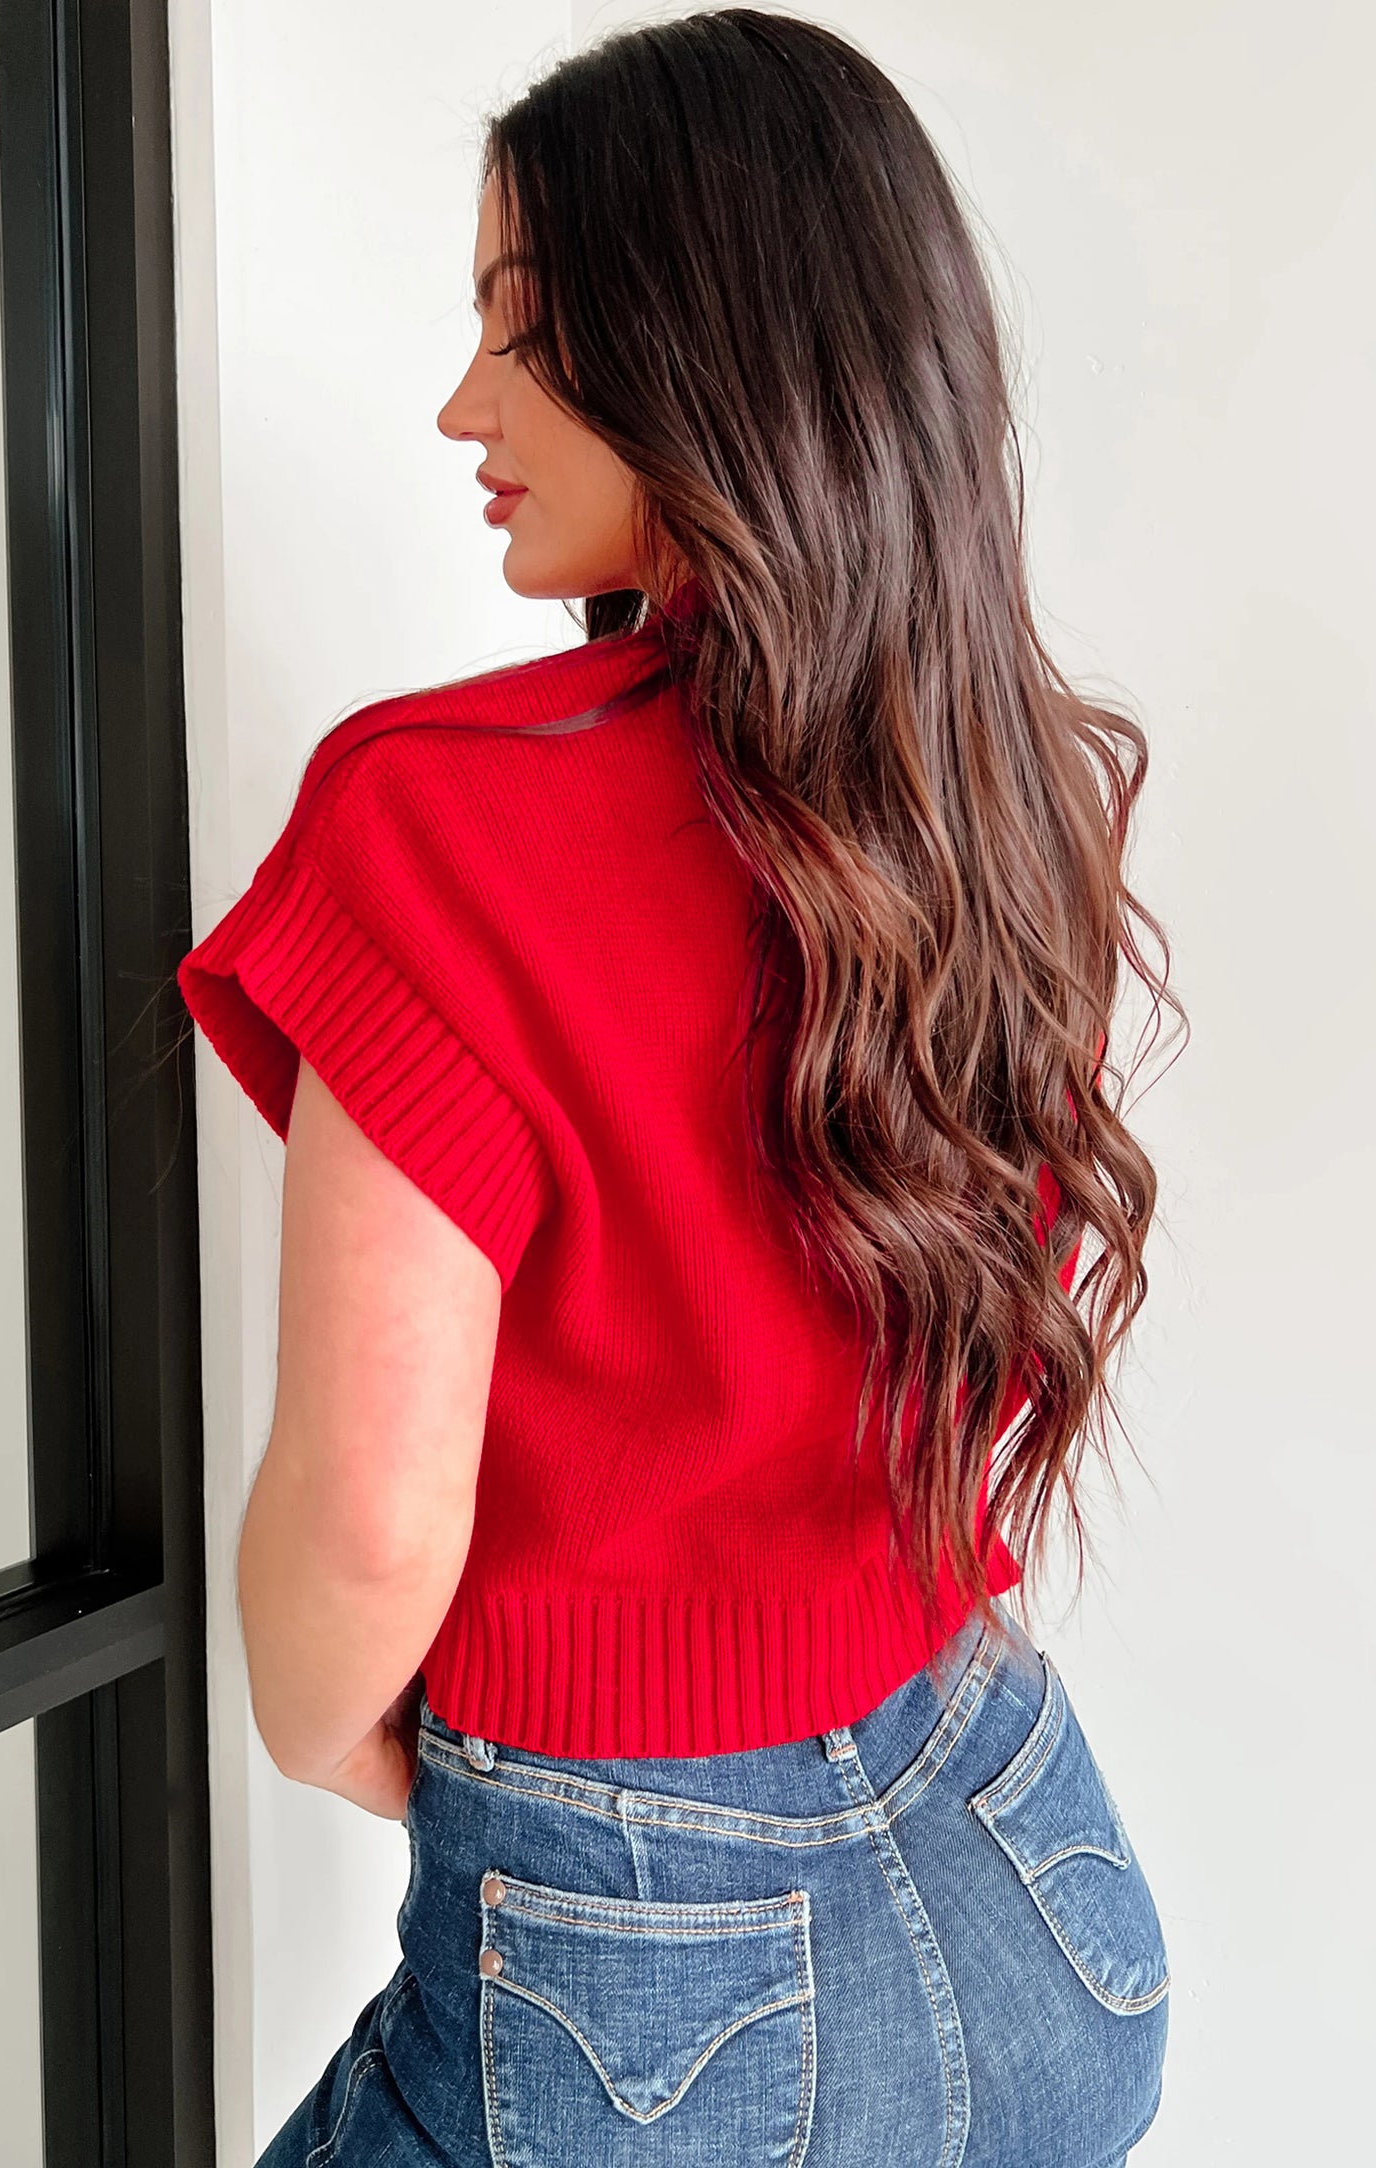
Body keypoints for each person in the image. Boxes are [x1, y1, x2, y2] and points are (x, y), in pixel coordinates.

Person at [177, 10, 1181, 2163]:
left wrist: (345, 1732)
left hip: (651, 1972)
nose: (465, 405)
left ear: (711, 353)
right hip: (1038, 1875)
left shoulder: (437, 821)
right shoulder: (1005, 793)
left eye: (525, 336)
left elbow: (364, 1519)